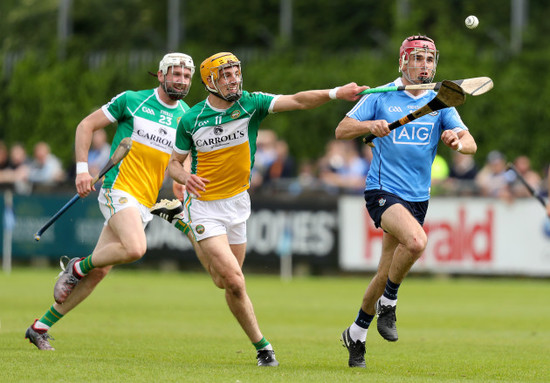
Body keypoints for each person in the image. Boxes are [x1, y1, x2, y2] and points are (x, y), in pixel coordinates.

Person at [156, 51, 367, 366]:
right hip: (204, 206)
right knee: (236, 281)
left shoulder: (251, 104)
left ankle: (183, 225)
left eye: (235, 73)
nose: (233, 80)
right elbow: (173, 163)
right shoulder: (192, 119)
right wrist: (185, 177)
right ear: (210, 81)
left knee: (224, 281)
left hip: (238, 203)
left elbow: (297, 101)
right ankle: (263, 348)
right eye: (224, 76)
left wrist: (336, 94)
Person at [24, 52, 196, 351]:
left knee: (99, 272)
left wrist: (182, 180)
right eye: (175, 74)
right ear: (161, 75)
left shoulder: (187, 116)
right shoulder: (132, 100)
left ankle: (39, 327)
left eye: (186, 76)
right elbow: (86, 126)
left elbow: (182, 158)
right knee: (135, 248)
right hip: (119, 188)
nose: (180, 80)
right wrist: (82, 171)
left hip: (145, 199)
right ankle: (76, 268)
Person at [334, 35, 478, 368]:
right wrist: (370, 125)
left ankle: (356, 332)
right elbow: (342, 130)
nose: (424, 66)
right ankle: (389, 303)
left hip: (417, 198)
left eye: (429, 60)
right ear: (403, 62)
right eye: (417, 59)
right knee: (416, 242)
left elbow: (471, 143)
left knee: (385, 270)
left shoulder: (441, 100)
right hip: (383, 190)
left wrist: (457, 141)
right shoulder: (383, 95)